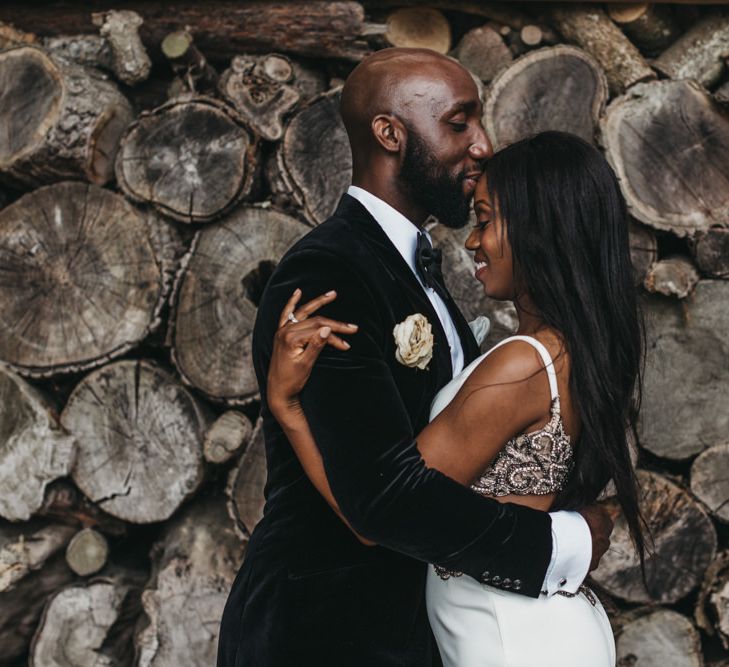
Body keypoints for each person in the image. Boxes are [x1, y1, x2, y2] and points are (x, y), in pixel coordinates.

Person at [217, 48, 613, 667]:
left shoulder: (422, 274)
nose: (482, 144)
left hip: (407, 633)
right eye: (460, 122)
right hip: (324, 633)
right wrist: (562, 542)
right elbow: (387, 498)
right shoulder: (333, 271)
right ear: (390, 133)